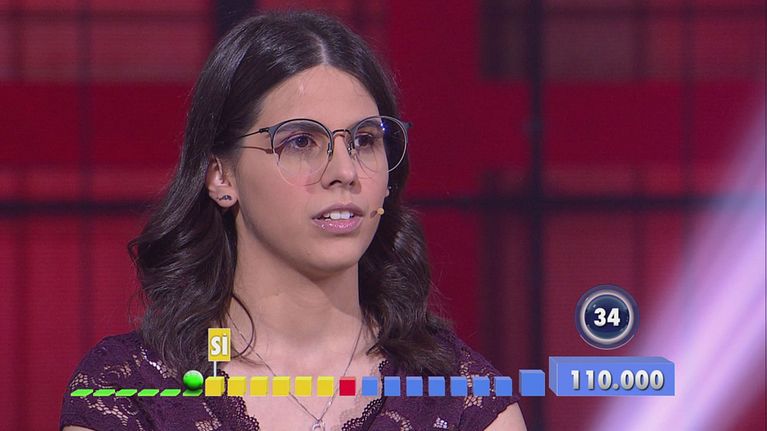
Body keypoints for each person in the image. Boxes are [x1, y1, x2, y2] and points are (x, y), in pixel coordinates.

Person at [60, 10, 525, 431]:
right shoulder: (129, 394)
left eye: (365, 140)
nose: (345, 172)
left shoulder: (462, 400)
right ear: (221, 176)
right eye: (301, 142)